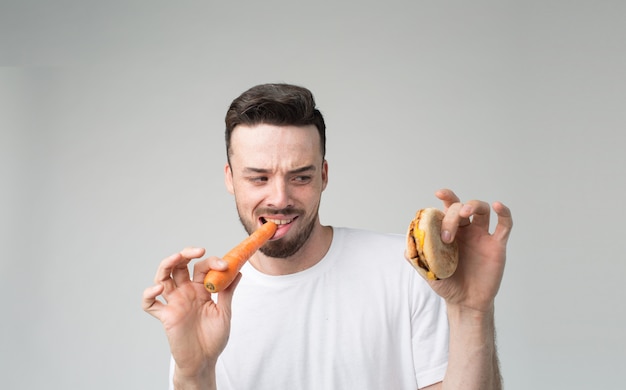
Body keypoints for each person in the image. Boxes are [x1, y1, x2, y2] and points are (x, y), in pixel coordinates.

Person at [142, 83, 513, 390]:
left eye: (300, 177)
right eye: (258, 177)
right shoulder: (207, 307)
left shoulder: (406, 270)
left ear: (324, 175)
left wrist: (471, 312)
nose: (280, 198)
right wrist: (194, 373)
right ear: (229, 178)